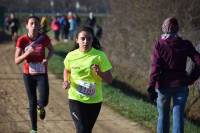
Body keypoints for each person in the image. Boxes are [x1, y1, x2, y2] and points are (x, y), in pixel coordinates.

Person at [147, 17, 200, 133]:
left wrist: (151, 88)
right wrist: (192, 78)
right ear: (177, 29)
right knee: (178, 116)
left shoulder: (159, 45)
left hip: (163, 86)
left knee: (163, 117)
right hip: (181, 85)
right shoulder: (185, 44)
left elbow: (155, 68)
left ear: (164, 28)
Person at [63, 26, 112, 133]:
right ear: (77, 40)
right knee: (82, 129)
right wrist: (66, 80)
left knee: (87, 130)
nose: (86, 41)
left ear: (92, 40)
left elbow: (109, 79)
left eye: (89, 39)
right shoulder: (71, 56)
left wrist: (100, 73)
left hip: (94, 100)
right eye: (83, 38)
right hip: (75, 98)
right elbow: (67, 70)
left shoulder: (100, 56)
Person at [15, 16, 54, 133]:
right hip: (28, 74)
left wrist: (47, 59)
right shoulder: (22, 40)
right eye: (31, 23)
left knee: (44, 100)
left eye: (36, 24)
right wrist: (26, 54)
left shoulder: (44, 38)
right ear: (26, 26)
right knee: (31, 101)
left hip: (41, 73)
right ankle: (34, 129)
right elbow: (16, 60)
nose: (34, 26)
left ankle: (40, 106)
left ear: (39, 26)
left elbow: (52, 50)